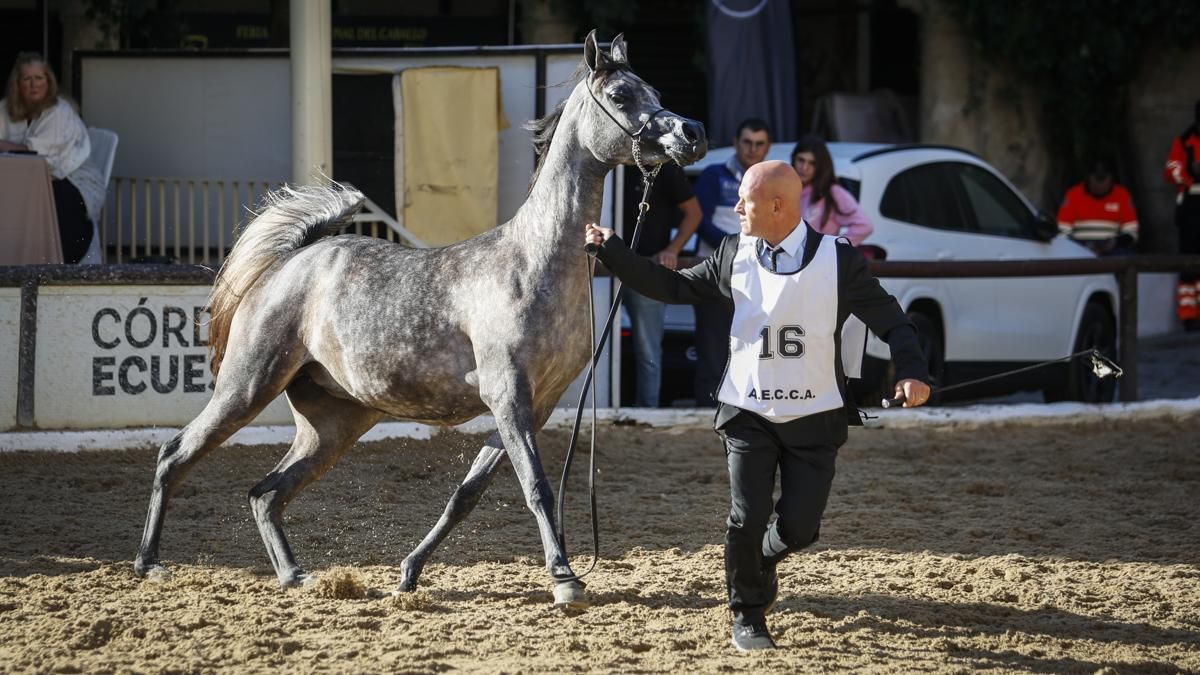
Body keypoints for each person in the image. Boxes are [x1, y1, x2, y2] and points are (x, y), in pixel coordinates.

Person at [584, 160, 931, 652]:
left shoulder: (839, 260)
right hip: (747, 412)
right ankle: (747, 613)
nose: (735, 208)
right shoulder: (731, 252)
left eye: (744, 200)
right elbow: (675, 287)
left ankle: (763, 560)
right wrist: (614, 250)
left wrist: (914, 372)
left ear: (777, 205)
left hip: (816, 415)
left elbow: (895, 323)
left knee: (800, 528)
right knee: (745, 518)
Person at [691, 118, 772, 406]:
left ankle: (746, 401)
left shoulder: (772, 181)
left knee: (753, 340)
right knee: (712, 341)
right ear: (737, 143)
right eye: (747, 142)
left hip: (757, 274)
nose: (753, 149)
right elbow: (699, 221)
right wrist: (735, 248)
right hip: (716, 271)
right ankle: (709, 403)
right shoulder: (714, 175)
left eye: (759, 144)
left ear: (768, 147)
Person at [0, 52, 105, 264]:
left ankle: (56, 268)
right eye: (27, 79)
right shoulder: (4, 110)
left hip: (74, 180)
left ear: (49, 81)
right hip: (21, 185)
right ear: (17, 84)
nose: (33, 85)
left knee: (59, 202)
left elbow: (40, 158)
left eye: (39, 78)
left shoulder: (59, 111)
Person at [621, 161, 701, 407]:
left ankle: (647, 412)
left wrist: (672, 249)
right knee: (594, 348)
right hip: (604, 267)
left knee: (648, 352)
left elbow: (695, 213)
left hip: (648, 270)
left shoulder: (663, 166)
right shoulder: (609, 162)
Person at [790, 133, 873, 245]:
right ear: (794, 159)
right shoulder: (786, 189)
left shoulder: (832, 192)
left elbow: (864, 226)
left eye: (812, 163)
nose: (804, 167)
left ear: (820, 166)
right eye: (801, 160)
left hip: (820, 260)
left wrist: (834, 247)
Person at [1165, 99, 1200, 331]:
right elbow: (1172, 170)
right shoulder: (1186, 140)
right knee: (1189, 263)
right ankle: (1189, 316)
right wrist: (1189, 172)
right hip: (1191, 210)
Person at [1055, 159, 1139, 256]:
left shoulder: (1122, 195)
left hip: (1114, 249)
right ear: (1088, 178)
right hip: (1080, 247)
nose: (1100, 185)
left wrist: (1115, 242)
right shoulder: (1073, 195)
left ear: (1111, 178)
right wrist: (1084, 246)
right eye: (1097, 179)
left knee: (1128, 257)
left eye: (1103, 179)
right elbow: (1062, 231)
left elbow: (1132, 233)